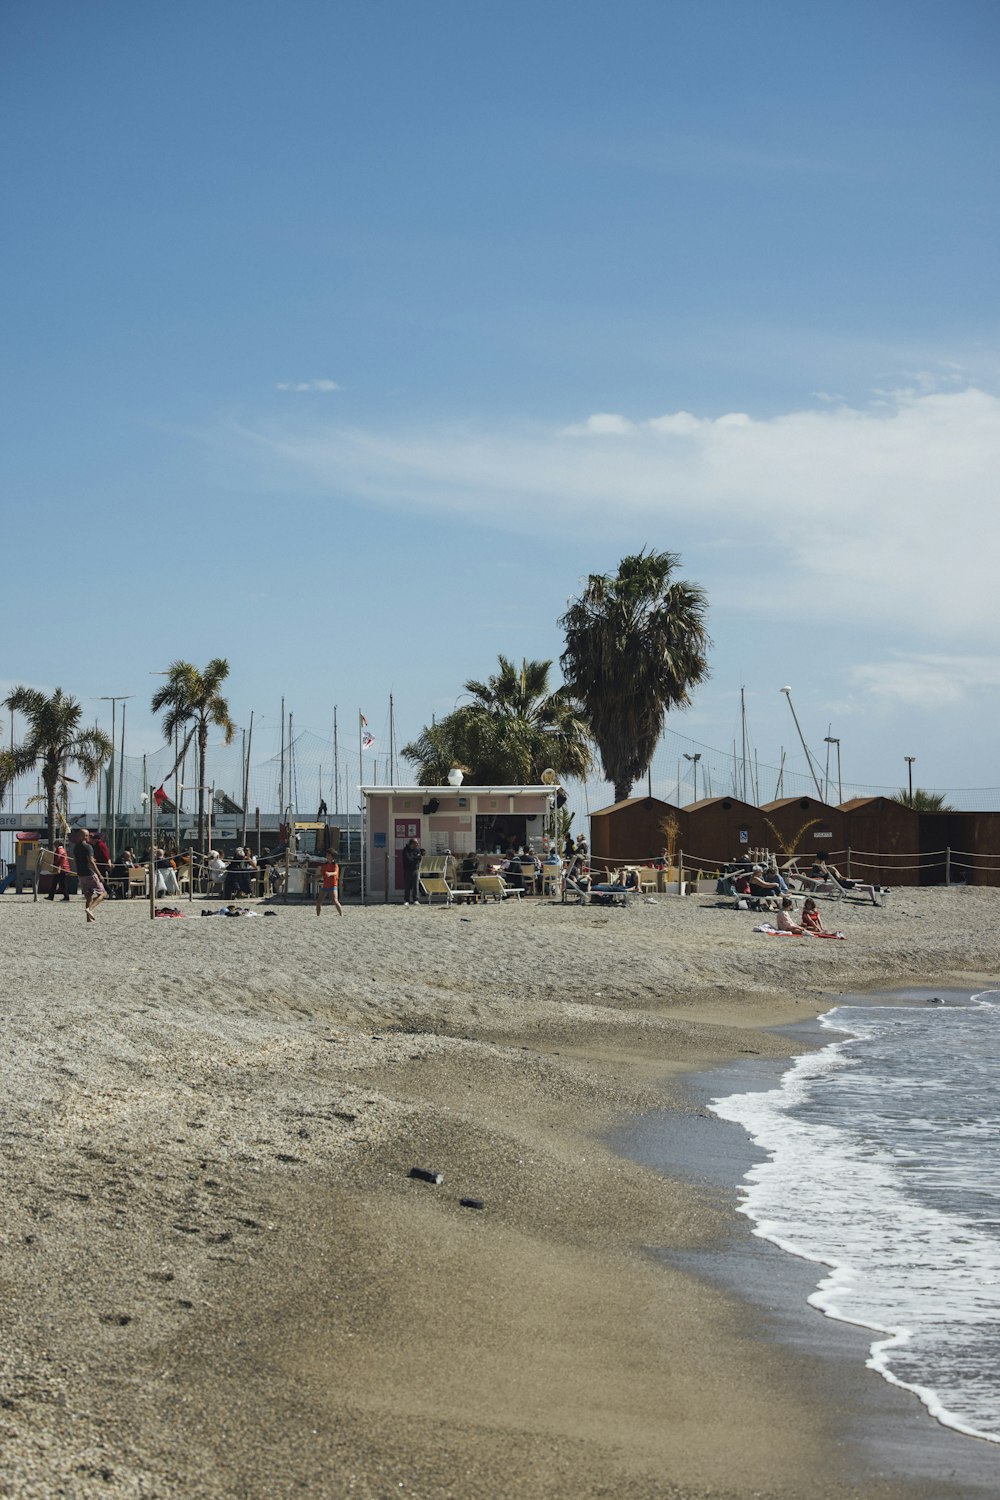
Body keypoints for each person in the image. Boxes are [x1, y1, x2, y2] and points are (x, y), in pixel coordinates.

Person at [74, 829, 107, 923]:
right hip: (89, 873)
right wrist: (99, 874)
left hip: (81, 874)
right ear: (84, 836)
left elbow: (76, 860)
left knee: (89, 896)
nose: (89, 837)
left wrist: (78, 871)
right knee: (103, 894)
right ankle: (90, 909)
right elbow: (91, 862)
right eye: (88, 835)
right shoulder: (88, 847)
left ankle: (88, 919)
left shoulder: (76, 847)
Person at [315, 852, 343, 917]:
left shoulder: (335, 865)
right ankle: (318, 916)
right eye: (327, 855)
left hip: (333, 885)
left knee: (335, 900)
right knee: (319, 901)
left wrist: (330, 874)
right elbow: (321, 875)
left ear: (332, 856)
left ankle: (341, 915)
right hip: (325, 886)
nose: (327, 856)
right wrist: (311, 878)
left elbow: (335, 873)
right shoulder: (324, 865)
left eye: (328, 855)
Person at [401, 838, 423, 906]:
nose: (417, 845)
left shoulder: (417, 850)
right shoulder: (406, 850)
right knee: (407, 885)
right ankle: (406, 900)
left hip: (415, 869)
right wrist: (415, 858)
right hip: (407, 869)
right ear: (412, 843)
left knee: (415, 885)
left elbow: (419, 858)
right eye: (416, 843)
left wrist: (415, 858)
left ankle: (415, 899)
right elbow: (407, 859)